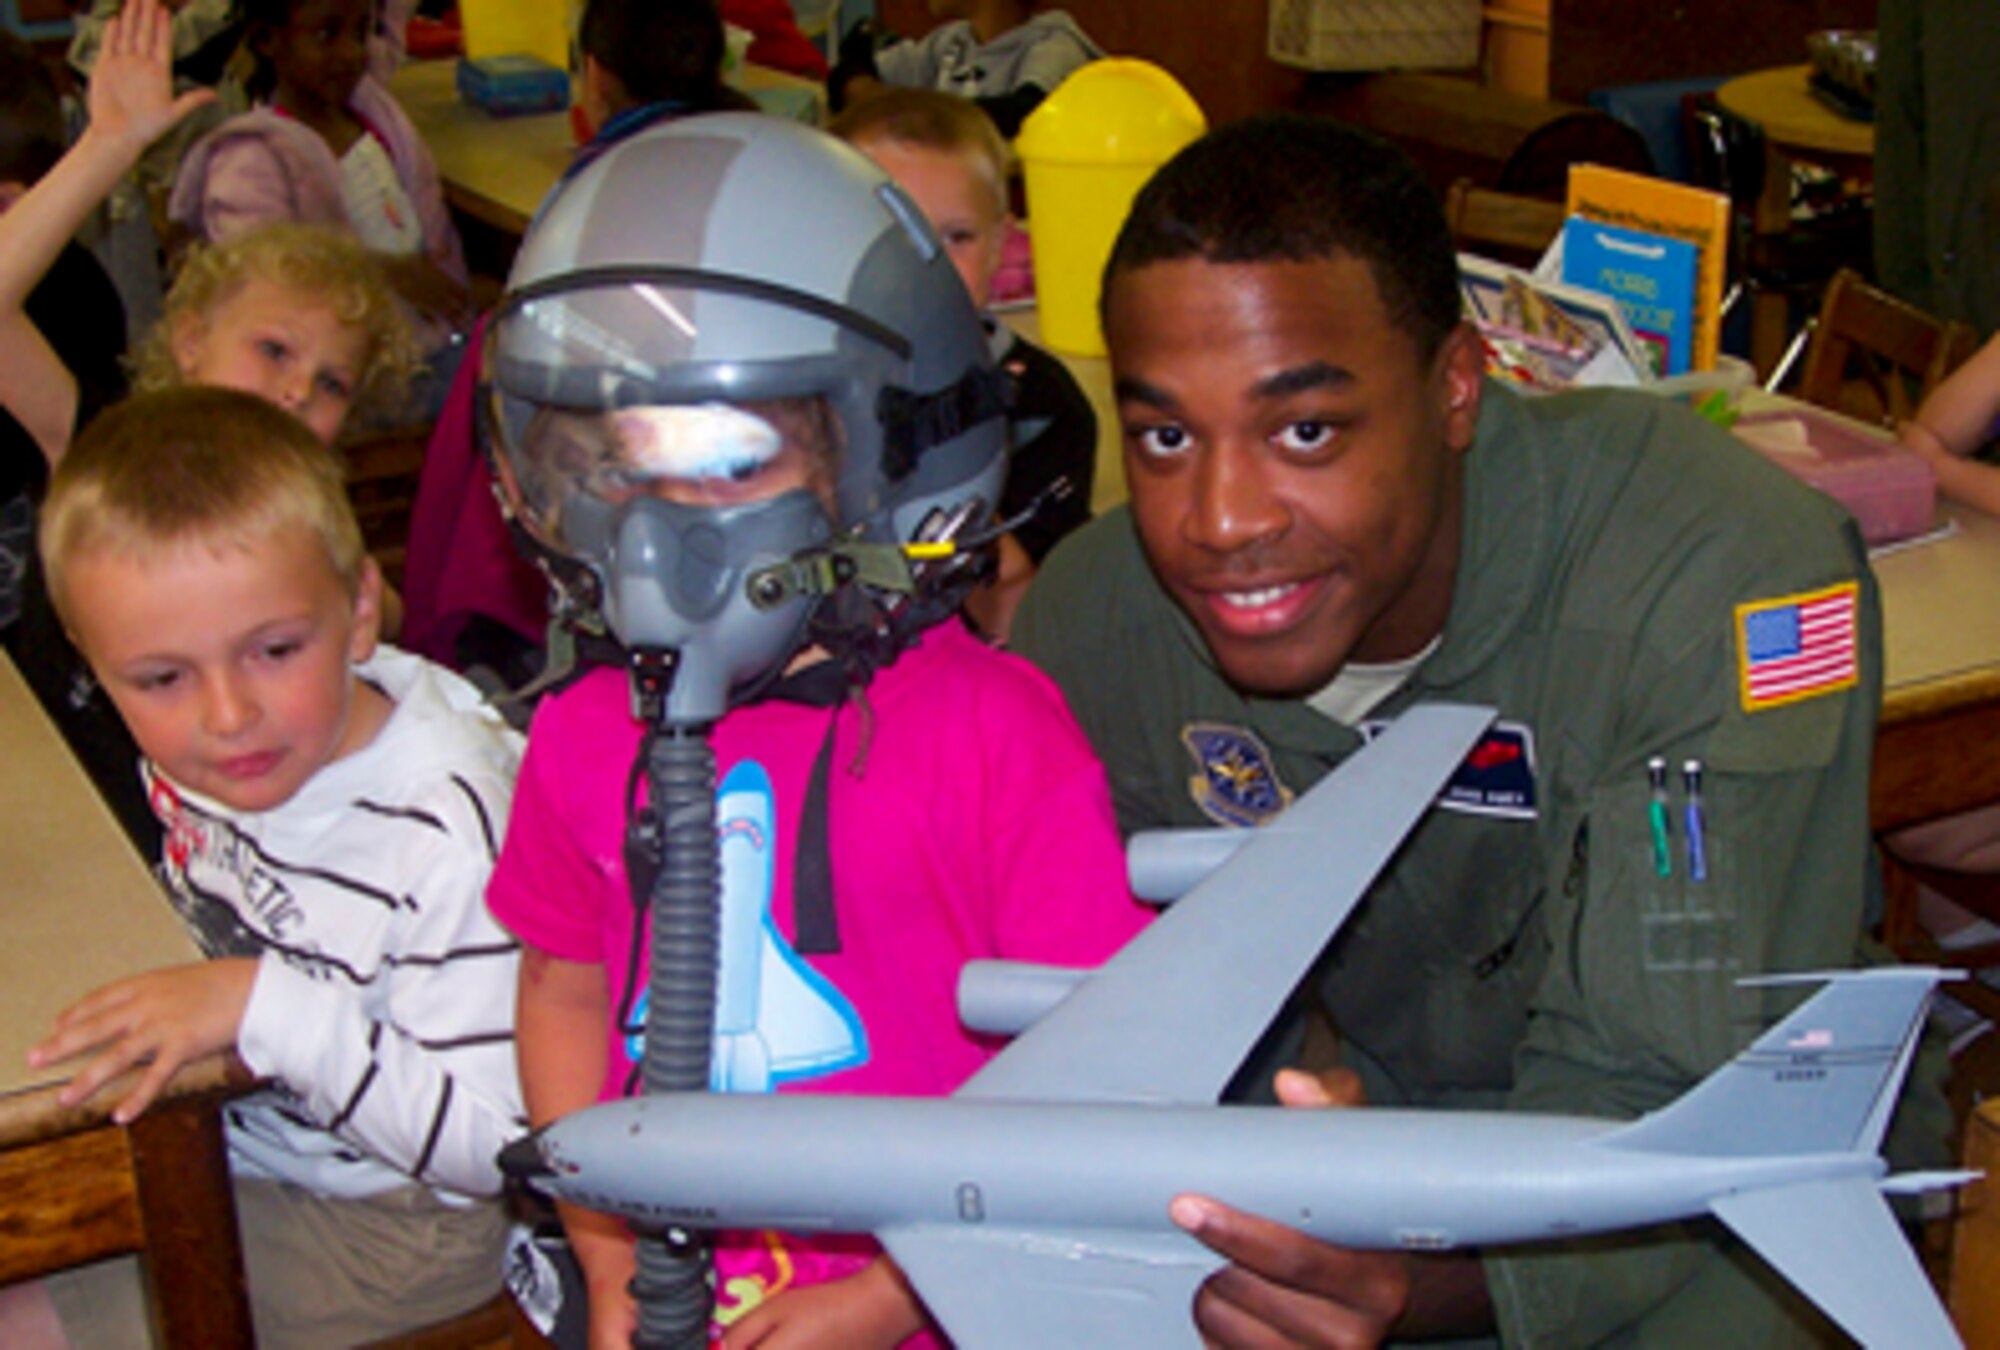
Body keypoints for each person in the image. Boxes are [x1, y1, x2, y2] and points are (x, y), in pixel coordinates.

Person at [1010, 112, 1946, 1346]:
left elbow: (1664, 1080)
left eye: (1304, 431)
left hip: (1725, 1176)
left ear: (1455, 386)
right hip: (1356, 1175)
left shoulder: (1717, 574)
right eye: (1166, 436)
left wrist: (1393, 1277)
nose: (1219, 518)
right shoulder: (1093, 631)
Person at [479, 112, 1151, 1348]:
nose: (662, 528)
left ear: (885, 470)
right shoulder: (583, 732)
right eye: (621, 465)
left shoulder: (994, 735)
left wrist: (897, 1293)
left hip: (942, 1306)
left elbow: (1088, 1070)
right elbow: (564, 992)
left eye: (736, 462)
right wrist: (606, 1253)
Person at [22, 385, 525, 1349]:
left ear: (362, 610)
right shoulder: (232, 750)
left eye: (275, 651)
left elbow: (496, 1150)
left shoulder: (449, 831)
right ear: (94, 660)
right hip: (244, 1132)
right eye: (162, 678)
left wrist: (265, 1008)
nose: (225, 716)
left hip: (396, 1224)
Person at [1, 0, 416, 854]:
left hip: (207, 857)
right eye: (271, 349)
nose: (297, 389)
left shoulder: (307, 539)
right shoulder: (98, 449)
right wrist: (107, 145)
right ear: (190, 340)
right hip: (65, 804)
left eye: (331, 380)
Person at [830, 87, 1094, 642]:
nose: (925, 265)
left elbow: (1032, 612)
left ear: (1001, 245)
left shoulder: (1044, 404)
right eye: (893, 234)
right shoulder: (789, 388)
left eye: (957, 237)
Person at [166, 0, 471, 358]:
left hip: (426, 347)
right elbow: (262, 284)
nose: (351, 53)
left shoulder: (374, 118)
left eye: (361, 32)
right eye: (327, 35)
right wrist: (388, 275)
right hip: (342, 374)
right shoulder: (250, 162)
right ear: (267, 39)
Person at [830, 0, 1101, 137]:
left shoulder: (1055, 45)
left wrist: (905, 109)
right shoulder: (951, 41)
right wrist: (861, 88)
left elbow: (1028, 113)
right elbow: (851, 64)